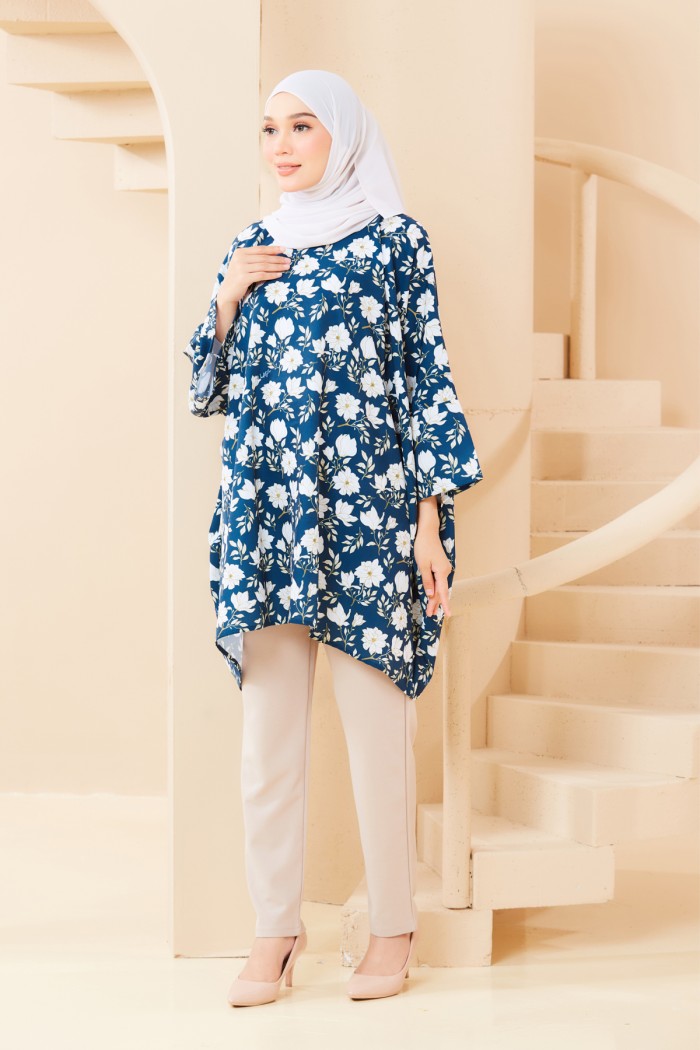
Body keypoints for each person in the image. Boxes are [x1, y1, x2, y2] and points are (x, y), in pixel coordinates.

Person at [182, 69, 484, 1006]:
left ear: (341, 137)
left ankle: (393, 924)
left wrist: (429, 520)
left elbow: (425, 378)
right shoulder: (253, 245)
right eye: (270, 128)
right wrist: (227, 299)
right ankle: (276, 928)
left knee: (376, 734)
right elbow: (207, 391)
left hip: (370, 521)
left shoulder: (396, 242)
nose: (282, 144)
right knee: (267, 741)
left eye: (302, 126)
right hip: (268, 516)